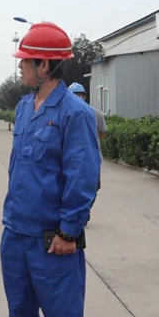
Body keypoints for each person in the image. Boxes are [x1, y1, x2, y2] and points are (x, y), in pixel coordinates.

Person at [0, 22, 101, 317]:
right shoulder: (24, 107)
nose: (20, 67)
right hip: (16, 231)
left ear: (45, 65)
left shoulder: (75, 114)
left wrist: (70, 230)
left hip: (54, 239)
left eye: (25, 62)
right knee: (19, 312)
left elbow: (83, 176)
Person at [68, 82, 106, 221]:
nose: (78, 98)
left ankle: (85, 210)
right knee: (72, 187)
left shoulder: (96, 113)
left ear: (84, 96)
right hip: (72, 158)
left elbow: (102, 132)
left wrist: (93, 143)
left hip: (92, 159)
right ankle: (76, 213)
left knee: (94, 187)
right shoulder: (66, 114)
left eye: (80, 95)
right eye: (74, 95)